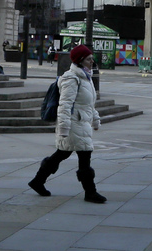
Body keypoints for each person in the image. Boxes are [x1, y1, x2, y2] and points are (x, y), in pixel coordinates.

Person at [27, 44, 106, 203]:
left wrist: (95, 119)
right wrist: (63, 127)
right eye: (89, 59)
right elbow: (64, 105)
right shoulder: (71, 78)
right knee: (84, 156)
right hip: (74, 124)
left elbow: (89, 105)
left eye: (92, 59)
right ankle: (90, 192)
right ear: (80, 61)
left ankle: (38, 181)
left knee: (62, 153)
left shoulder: (86, 77)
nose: (92, 61)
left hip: (81, 122)